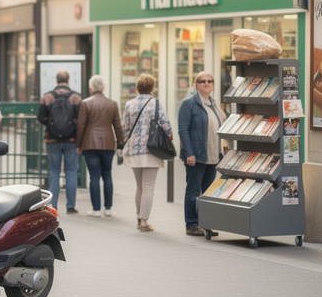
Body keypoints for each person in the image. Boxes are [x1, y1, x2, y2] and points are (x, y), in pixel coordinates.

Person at [122, 74, 173, 232]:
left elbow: (125, 127)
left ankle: (139, 216)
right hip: (152, 150)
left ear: (137, 87)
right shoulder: (155, 104)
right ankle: (144, 221)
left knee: (139, 187)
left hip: (133, 150)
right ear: (152, 87)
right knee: (148, 187)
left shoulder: (129, 104)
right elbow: (166, 126)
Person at [178, 71, 225, 237]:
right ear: (196, 84)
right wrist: (189, 153)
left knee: (207, 192)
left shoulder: (213, 104)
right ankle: (191, 224)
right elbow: (183, 130)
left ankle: (206, 224)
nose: (206, 84)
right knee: (193, 191)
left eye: (209, 81)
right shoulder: (189, 103)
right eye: (202, 81)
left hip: (212, 156)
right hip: (196, 156)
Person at [76, 75, 124, 218]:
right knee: (107, 175)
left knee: (94, 176)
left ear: (91, 88)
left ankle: (96, 209)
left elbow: (81, 125)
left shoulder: (85, 103)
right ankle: (108, 208)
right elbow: (118, 126)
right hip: (108, 143)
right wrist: (120, 144)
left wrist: (78, 144)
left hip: (90, 144)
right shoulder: (112, 104)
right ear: (103, 87)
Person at [38, 70, 82, 214]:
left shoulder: (47, 97)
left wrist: (51, 123)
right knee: (71, 171)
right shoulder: (76, 97)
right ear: (68, 81)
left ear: (56, 80)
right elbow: (80, 119)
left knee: (55, 172)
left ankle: (52, 206)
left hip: (52, 139)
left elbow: (40, 117)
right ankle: (70, 206)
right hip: (71, 139)